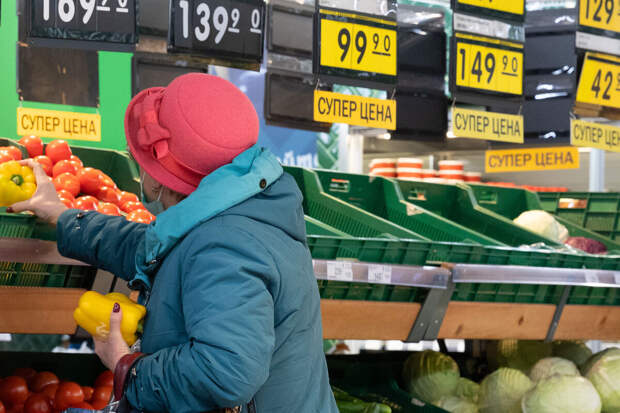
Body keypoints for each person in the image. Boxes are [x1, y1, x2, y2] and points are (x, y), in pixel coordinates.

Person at [10, 73, 338, 413]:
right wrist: (62, 216)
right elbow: (147, 247)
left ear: (159, 176)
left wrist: (127, 366)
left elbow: (227, 373)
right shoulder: (237, 213)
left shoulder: (223, 246)